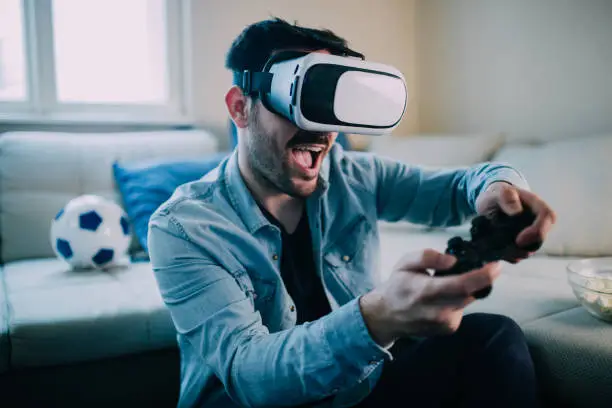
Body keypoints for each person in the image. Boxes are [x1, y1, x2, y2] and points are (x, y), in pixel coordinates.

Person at [147, 18, 557, 408]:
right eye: (303, 101)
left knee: (494, 337)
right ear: (240, 108)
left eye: (331, 107)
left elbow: (459, 186)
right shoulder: (183, 227)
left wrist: (501, 188)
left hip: (356, 389)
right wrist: (380, 316)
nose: (323, 132)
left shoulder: (352, 173)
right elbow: (249, 373)